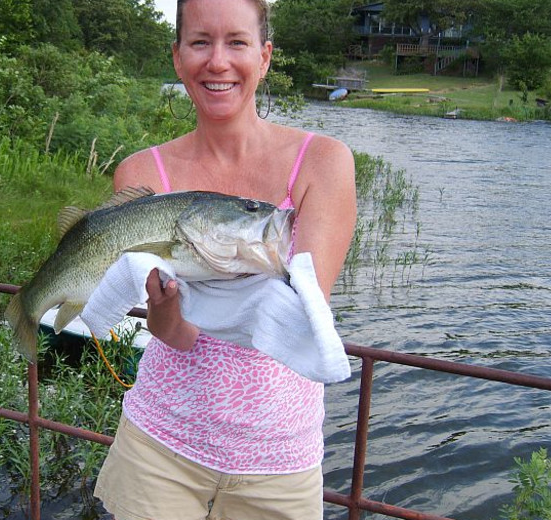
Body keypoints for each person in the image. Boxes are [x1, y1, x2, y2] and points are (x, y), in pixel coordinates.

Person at [93, 0, 356, 518]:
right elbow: (177, 335)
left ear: (264, 56)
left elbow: (297, 318)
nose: (218, 61)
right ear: (177, 58)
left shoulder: (323, 162)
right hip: (158, 446)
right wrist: (167, 310)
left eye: (237, 42)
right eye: (199, 42)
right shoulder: (142, 173)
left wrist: (205, 281)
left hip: (279, 461)